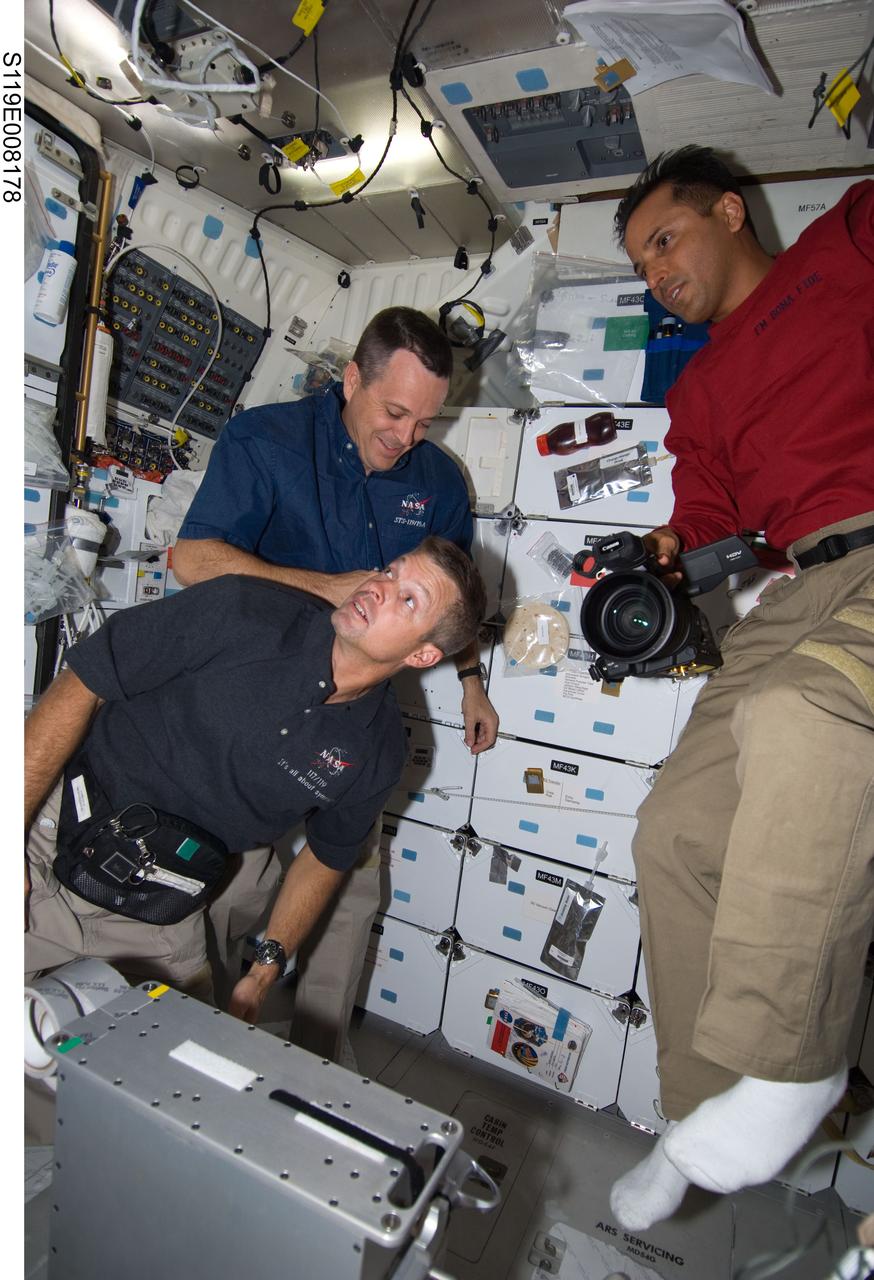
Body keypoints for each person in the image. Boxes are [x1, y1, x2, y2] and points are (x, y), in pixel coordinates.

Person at [605, 147, 874, 1229]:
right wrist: (665, 559)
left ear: (728, 208)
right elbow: (710, 526)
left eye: (664, 239)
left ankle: (787, 1067)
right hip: (798, 584)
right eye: (640, 265)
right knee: (672, 829)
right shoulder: (701, 385)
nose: (657, 274)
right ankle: (708, 1107)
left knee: (801, 715)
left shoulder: (846, 242)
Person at [172, 305, 499, 1062]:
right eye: (393, 412)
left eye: (425, 420)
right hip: (250, 701)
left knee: (349, 884)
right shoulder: (268, 439)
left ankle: (320, 1059)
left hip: (360, 717)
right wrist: (323, 588)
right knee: (230, 884)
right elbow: (191, 560)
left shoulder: (438, 481)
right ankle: (211, 1032)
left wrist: (473, 683)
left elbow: (455, 605)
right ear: (351, 379)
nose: (406, 437)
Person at [25, 537, 488, 1026]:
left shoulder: (377, 750)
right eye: (389, 572)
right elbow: (86, 680)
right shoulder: (241, 609)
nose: (378, 588)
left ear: (422, 656)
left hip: (162, 903)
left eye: (408, 598)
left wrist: (267, 965)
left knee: (169, 1061)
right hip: (53, 840)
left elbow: (327, 856)